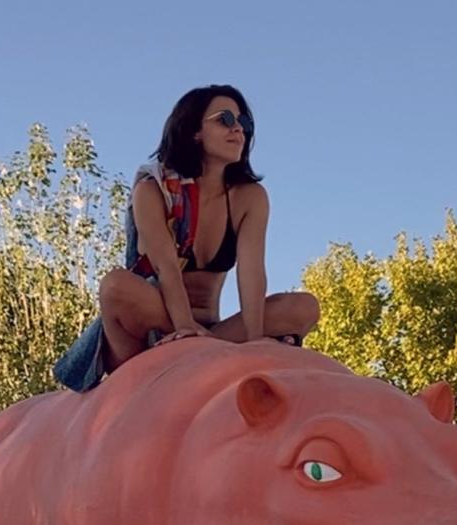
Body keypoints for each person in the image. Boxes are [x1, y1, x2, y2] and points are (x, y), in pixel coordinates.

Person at [53, 84, 320, 393]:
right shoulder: (154, 189)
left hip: (216, 330)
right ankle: (190, 349)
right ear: (194, 131)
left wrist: (255, 341)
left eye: (244, 124)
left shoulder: (250, 197)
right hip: (154, 323)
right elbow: (166, 267)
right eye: (225, 119)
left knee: (303, 307)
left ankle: (208, 349)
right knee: (115, 286)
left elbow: (252, 272)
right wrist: (184, 328)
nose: (239, 131)